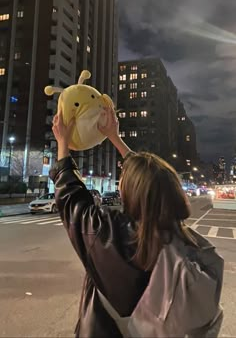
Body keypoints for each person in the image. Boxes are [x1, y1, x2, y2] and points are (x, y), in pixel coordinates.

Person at [50, 108, 198, 337]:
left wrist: (63, 144)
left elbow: (71, 199)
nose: (120, 184)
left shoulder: (112, 234)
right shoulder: (185, 241)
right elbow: (153, 180)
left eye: (123, 181)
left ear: (133, 192)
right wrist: (115, 138)